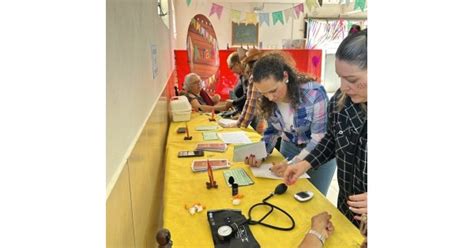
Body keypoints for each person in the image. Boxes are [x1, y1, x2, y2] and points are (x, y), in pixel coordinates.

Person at [283, 30, 368, 227]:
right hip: (349, 211)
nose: (344, 86)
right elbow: (332, 139)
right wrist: (304, 164)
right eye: (340, 77)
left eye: (353, 80)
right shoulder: (341, 100)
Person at [244, 52, 337, 196]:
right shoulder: (268, 100)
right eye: (264, 93)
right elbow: (272, 132)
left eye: (273, 90)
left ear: (285, 77)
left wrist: (294, 163)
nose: (270, 97)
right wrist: (259, 155)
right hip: (290, 149)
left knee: (314, 199)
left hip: (319, 154)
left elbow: (319, 137)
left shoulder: (314, 93)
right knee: (289, 195)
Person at [220, 48, 266, 132]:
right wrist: (241, 122)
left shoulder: (255, 75)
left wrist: (241, 123)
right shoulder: (262, 73)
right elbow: (250, 101)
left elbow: (251, 102)